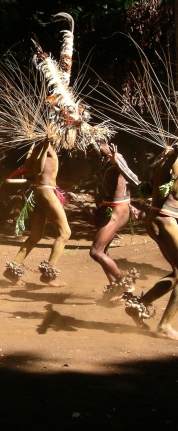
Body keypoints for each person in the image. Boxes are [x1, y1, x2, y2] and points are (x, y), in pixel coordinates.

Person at [124, 145, 178, 340]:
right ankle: (164, 326)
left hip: (159, 218)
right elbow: (174, 189)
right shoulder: (172, 161)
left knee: (177, 273)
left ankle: (141, 304)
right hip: (165, 219)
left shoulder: (166, 159)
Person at [3, 138, 71, 287]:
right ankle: (49, 274)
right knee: (65, 233)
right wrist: (45, 147)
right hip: (46, 192)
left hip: (39, 192)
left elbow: (32, 168)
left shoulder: (41, 147)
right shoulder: (44, 146)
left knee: (36, 235)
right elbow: (38, 169)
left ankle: (13, 268)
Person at [88, 142, 141, 301]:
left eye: (94, 146)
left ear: (105, 145)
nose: (89, 150)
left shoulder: (116, 157)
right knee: (103, 252)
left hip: (119, 210)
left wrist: (116, 161)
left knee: (95, 251)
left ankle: (123, 282)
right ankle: (117, 289)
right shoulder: (102, 162)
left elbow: (135, 179)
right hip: (110, 209)